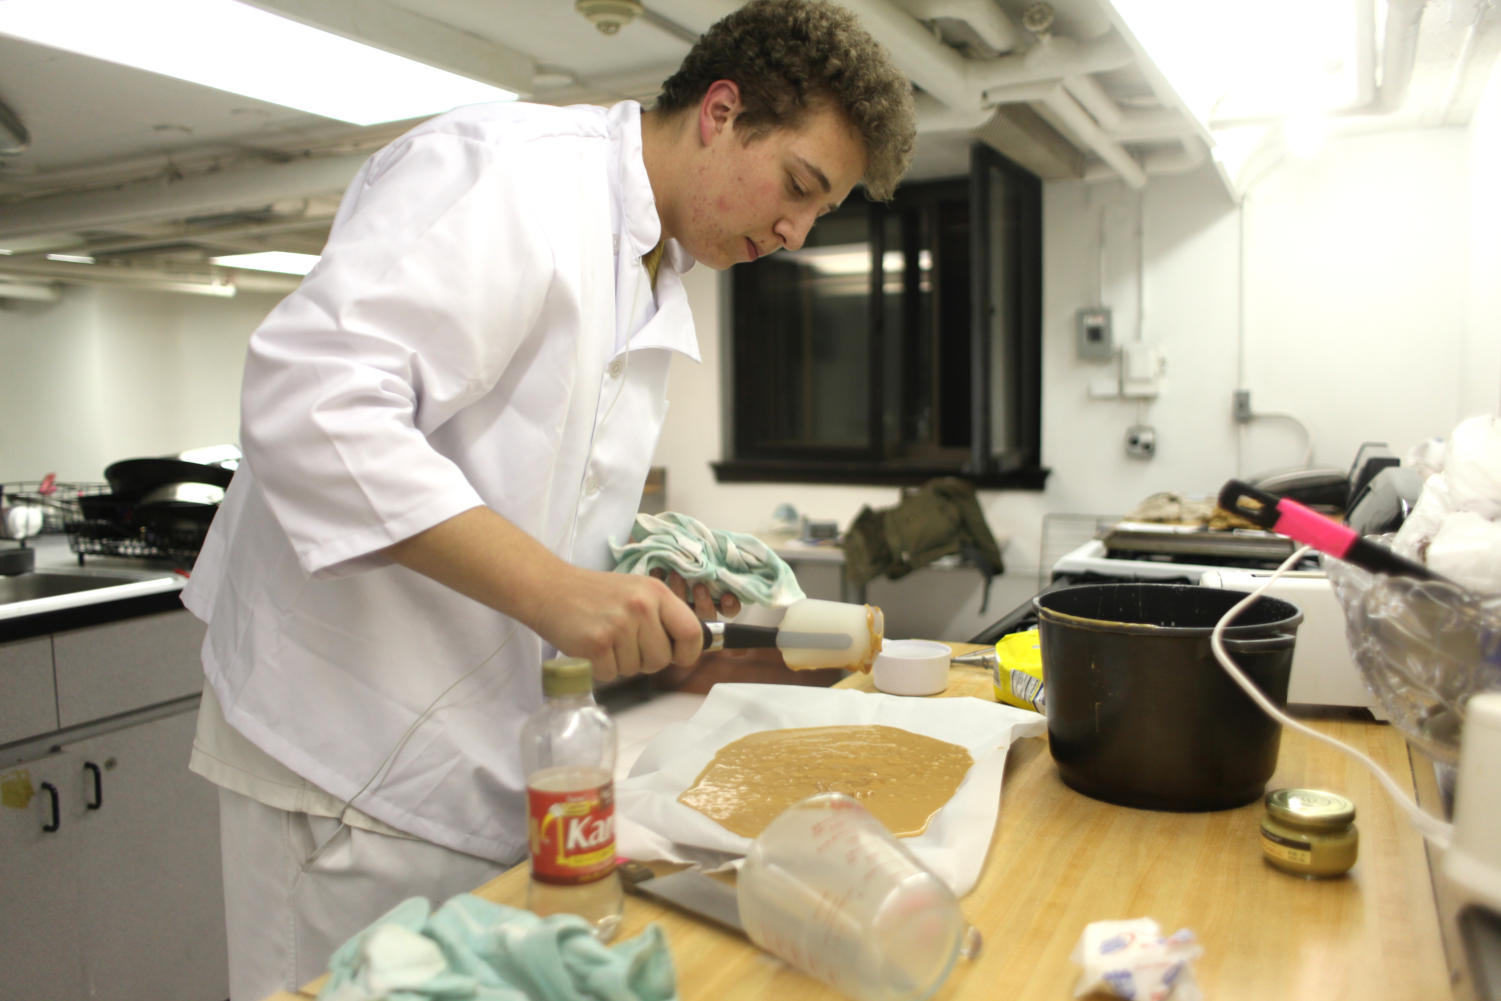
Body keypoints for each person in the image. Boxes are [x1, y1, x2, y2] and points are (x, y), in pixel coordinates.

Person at [180, 1, 916, 996]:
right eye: (797, 186)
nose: (793, 230)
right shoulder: (507, 175)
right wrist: (558, 592)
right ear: (720, 110)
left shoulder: (655, 262)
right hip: (337, 754)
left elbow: (533, 492)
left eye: (820, 213)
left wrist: (631, 569)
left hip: (473, 758)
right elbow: (311, 405)